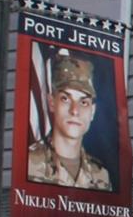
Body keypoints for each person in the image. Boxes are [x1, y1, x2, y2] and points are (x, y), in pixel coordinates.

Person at [25, 52, 113, 191]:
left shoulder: (101, 175)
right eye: (65, 99)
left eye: (83, 102)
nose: (75, 111)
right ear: (51, 102)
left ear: (92, 111)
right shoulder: (27, 164)